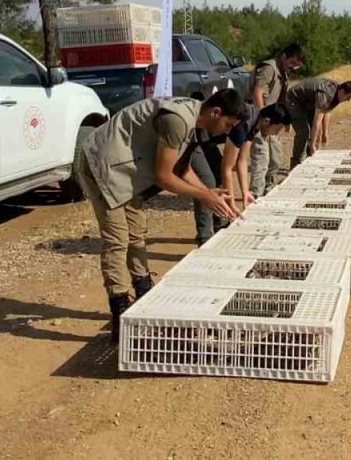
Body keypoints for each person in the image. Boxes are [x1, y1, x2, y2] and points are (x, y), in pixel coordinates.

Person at [75, 90, 248, 341]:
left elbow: (182, 168)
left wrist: (207, 192)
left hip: (129, 170)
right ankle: (120, 310)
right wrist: (204, 196)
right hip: (103, 163)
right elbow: (164, 177)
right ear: (216, 112)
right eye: (228, 125)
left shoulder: (194, 124)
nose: (225, 132)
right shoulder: (177, 120)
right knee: (118, 239)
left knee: (137, 233)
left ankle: (144, 292)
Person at [189, 102, 293, 245]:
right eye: (277, 129)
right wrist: (232, 203)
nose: (275, 134)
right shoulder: (243, 126)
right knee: (208, 183)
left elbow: (242, 160)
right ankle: (205, 236)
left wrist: (245, 193)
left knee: (218, 177)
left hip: (208, 140)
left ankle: (220, 223)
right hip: (197, 135)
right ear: (267, 121)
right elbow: (228, 167)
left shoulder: (255, 122)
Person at [249, 43, 305, 196]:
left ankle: (268, 186)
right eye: (292, 62)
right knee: (262, 159)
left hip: (273, 121)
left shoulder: (283, 72)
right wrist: (260, 121)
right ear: (283, 56)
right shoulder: (269, 69)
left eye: (297, 65)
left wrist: (285, 121)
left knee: (276, 159)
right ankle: (255, 194)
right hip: (260, 121)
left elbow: (280, 100)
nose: (293, 67)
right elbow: (257, 93)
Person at [283, 78, 351, 168]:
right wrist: (312, 144)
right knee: (304, 132)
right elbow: (317, 121)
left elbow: (327, 112)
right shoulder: (326, 93)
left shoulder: (337, 96)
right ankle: (296, 164)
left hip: (307, 104)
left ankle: (310, 161)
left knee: (317, 134)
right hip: (294, 100)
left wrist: (325, 133)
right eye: (348, 97)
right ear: (342, 91)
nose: (348, 100)